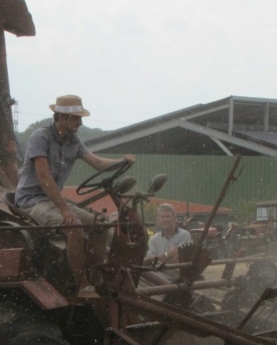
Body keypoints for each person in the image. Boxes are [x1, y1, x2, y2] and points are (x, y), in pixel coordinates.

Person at [14, 94, 134, 295]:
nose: (80, 122)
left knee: (102, 225)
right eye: (77, 118)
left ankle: (96, 274)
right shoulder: (40, 137)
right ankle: (82, 284)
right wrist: (65, 210)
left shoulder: (74, 141)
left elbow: (96, 163)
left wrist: (122, 162)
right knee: (75, 227)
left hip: (53, 201)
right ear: (62, 118)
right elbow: (44, 177)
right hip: (32, 201)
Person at [142, 203, 193, 284]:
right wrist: (169, 253)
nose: (165, 219)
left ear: (174, 218)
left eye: (168, 216)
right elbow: (150, 259)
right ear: (159, 220)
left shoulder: (184, 235)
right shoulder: (154, 239)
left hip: (179, 276)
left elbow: (180, 260)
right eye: (162, 217)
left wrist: (158, 258)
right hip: (159, 274)